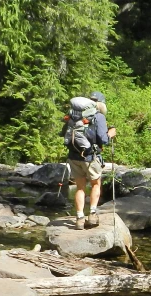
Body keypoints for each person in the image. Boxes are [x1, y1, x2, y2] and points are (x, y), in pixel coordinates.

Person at [63, 91, 116, 229]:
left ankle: (79, 218)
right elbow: (103, 139)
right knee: (95, 184)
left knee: (80, 187)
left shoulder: (74, 115)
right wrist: (110, 134)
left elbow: (64, 133)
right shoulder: (98, 116)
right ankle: (92, 215)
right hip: (90, 157)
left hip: (74, 156)